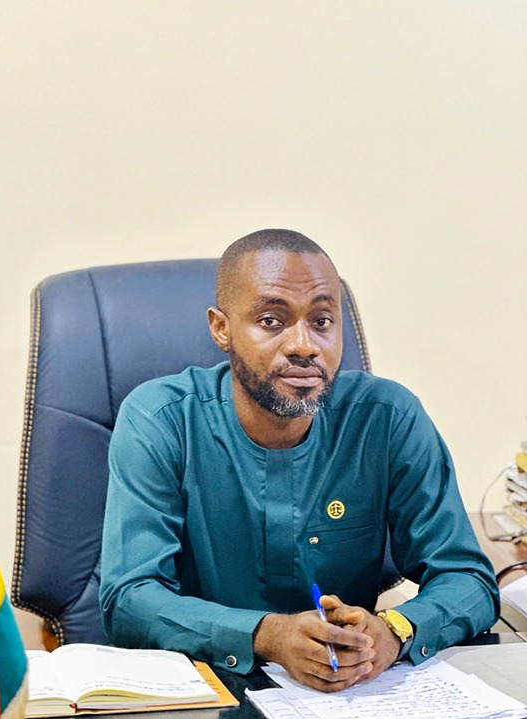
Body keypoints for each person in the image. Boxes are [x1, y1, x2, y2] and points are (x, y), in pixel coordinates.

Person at [99, 229, 499, 692]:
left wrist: (394, 632)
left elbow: (467, 579)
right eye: (271, 321)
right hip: (203, 694)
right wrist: (267, 635)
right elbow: (129, 599)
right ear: (221, 328)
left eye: (323, 321)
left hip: (350, 700)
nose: (304, 345)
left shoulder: (388, 418)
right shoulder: (161, 419)